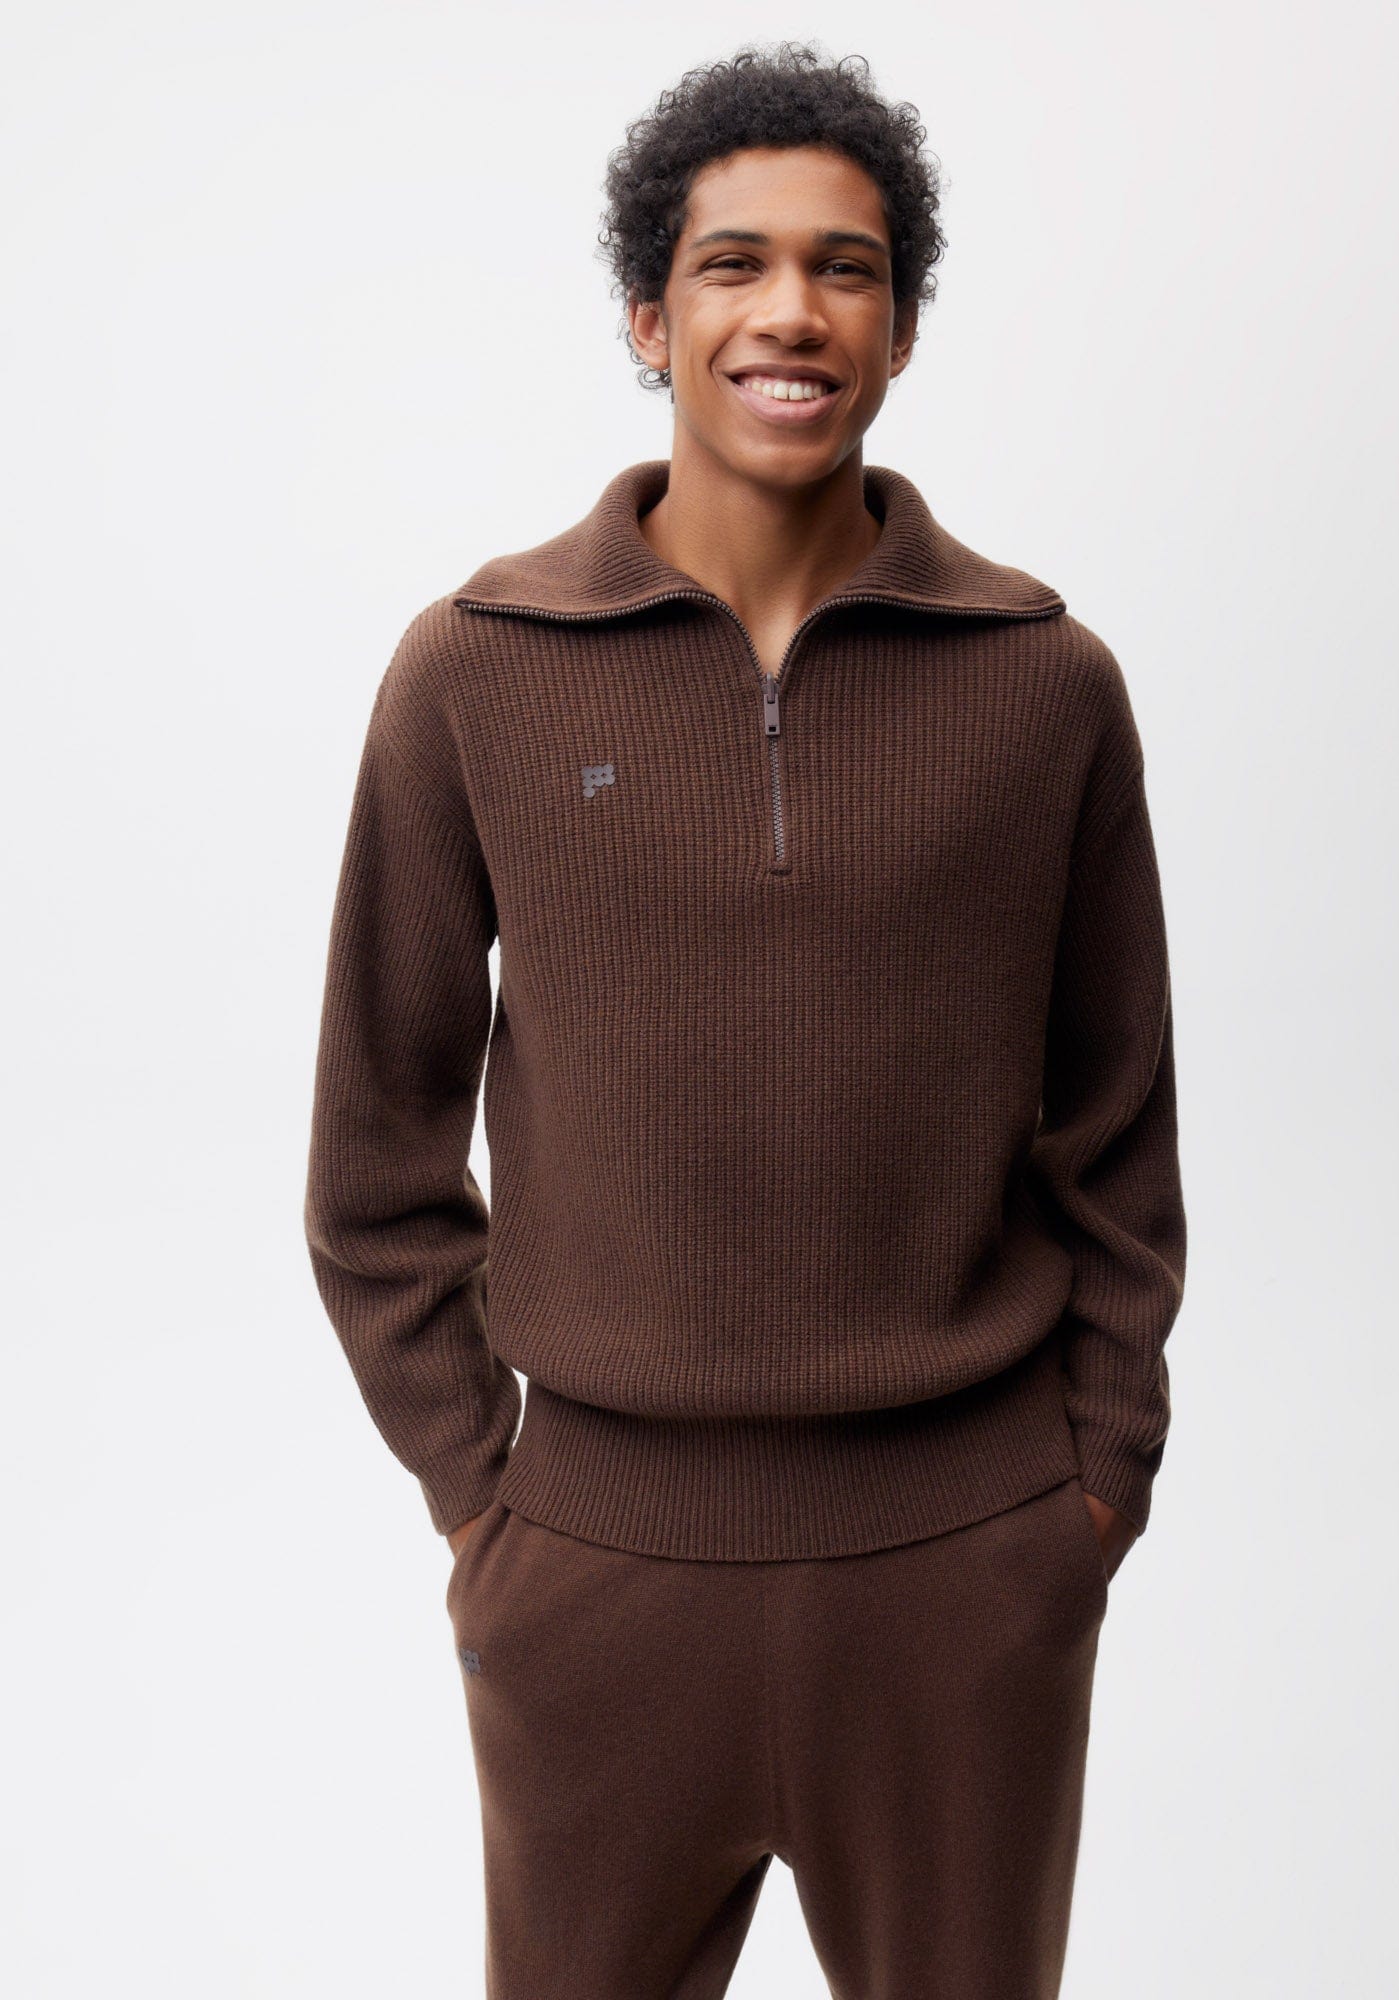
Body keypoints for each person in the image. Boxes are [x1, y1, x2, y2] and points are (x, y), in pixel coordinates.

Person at [304, 40, 1187, 2000]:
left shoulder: (1047, 682)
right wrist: (488, 1501)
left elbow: (1119, 1136)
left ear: (900, 327)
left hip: (967, 1573)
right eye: (735, 263)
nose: (793, 309)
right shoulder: (474, 671)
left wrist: (1087, 1497)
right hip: (593, 1577)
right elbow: (374, 1157)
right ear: (650, 316)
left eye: (845, 268)